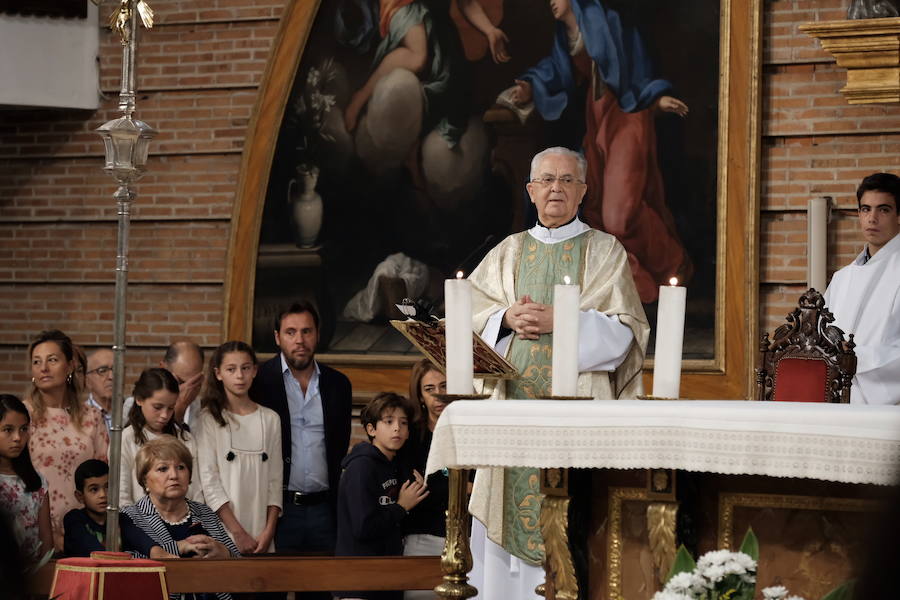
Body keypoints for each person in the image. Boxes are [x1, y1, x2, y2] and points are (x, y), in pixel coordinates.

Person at [466, 147, 648, 595]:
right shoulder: (507, 253)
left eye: (567, 180)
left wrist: (561, 321)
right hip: (513, 420)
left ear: (583, 191)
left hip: (577, 419)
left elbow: (625, 334)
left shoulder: (605, 252)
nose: (555, 188)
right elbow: (465, 319)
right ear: (531, 191)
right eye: (546, 180)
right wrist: (504, 319)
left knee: (576, 525)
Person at [510, 0, 691, 302]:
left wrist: (654, 99)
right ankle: (634, 286)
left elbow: (636, 65)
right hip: (597, 120)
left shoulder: (607, 21)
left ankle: (670, 261)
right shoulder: (566, 35)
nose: (552, 1)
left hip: (627, 117)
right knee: (596, 213)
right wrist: (530, 87)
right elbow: (554, 71)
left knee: (619, 215)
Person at [250, 301, 352, 563]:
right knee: (271, 589)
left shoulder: (338, 384)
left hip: (325, 510)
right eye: (291, 332)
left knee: (320, 589)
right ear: (277, 337)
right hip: (277, 509)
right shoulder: (260, 382)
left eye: (307, 331)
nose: (300, 340)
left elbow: (339, 446)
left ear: (318, 334)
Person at [335, 392, 429, 600]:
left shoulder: (396, 466)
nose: (397, 428)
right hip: (359, 582)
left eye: (403, 423)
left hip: (387, 578)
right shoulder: (361, 467)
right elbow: (363, 527)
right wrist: (401, 507)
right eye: (388, 421)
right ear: (371, 429)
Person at [120, 436, 240, 599]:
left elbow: (240, 566)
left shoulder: (204, 512)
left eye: (181, 467)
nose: (174, 475)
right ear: (144, 480)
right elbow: (134, 570)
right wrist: (180, 549)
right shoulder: (131, 517)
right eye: (163, 469)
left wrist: (224, 553)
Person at [25, 329, 109, 551]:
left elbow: (104, 473)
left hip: (85, 529)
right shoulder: (23, 415)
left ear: (70, 366)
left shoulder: (92, 416)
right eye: (37, 361)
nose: (43, 368)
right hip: (32, 528)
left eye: (52, 360)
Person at [197, 341, 282, 554]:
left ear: (254, 370)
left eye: (245, 368)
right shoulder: (209, 418)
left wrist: (269, 530)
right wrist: (237, 532)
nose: (239, 376)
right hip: (224, 531)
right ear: (218, 373)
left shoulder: (270, 419)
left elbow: (275, 479)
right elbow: (210, 481)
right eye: (231, 369)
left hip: (262, 533)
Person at [823, 172, 900, 405]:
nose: (872, 218)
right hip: (836, 402)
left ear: (899, 215)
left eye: (883, 209)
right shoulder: (841, 278)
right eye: (865, 209)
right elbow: (821, 341)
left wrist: (854, 359)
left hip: (886, 410)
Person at [120, 368, 203, 506]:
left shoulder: (185, 439)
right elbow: (121, 495)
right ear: (139, 400)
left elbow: (196, 491)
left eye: (170, 408)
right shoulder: (125, 440)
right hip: (140, 522)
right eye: (158, 407)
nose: (165, 415)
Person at [401, 360, 449, 600]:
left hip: (468, 538)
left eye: (444, 386)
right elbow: (414, 490)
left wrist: (436, 484)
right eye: (429, 389)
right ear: (420, 396)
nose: (439, 395)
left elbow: (482, 485)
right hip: (423, 536)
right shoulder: (411, 435)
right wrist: (464, 487)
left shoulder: (467, 430)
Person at [0, 394, 52, 564]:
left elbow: (46, 541)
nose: (17, 438)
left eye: (23, 429)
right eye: (8, 429)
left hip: (33, 578)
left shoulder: (37, 482)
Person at [63, 459, 110, 556]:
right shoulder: (74, 519)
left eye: (107, 487)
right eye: (94, 489)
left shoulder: (122, 520)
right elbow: (93, 550)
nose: (103, 495)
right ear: (80, 496)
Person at [161, 339, 206, 431]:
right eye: (180, 382)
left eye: (194, 383)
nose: (187, 390)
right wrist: (180, 407)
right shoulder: (139, 406)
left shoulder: (206, 411)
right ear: (163, 369)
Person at [84, 348, 115, 433]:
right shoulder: (78, 417)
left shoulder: (131, 414)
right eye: (102, 371)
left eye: (117, 369)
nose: (111, 376)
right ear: (87, 380)